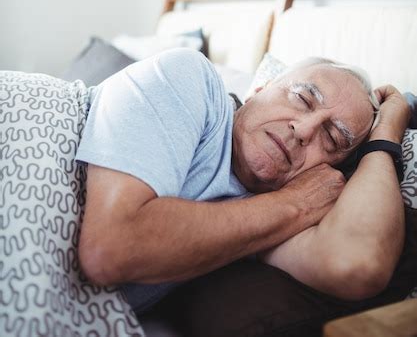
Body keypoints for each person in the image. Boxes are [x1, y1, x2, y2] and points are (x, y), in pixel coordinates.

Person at [75, 48, 410, 316]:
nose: (304, 130)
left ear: (328, 170)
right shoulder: (191, 78)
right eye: (303, 98)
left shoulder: (263, 218)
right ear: (258, 91)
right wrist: (295, 203)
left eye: (333, 138)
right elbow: (113, 247)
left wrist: (384, 138)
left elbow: (356, 263)